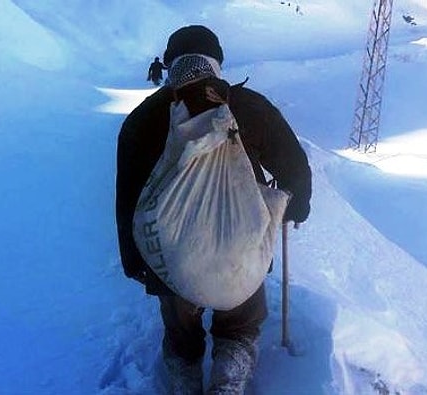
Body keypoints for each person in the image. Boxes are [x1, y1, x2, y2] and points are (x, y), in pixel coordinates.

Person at [115, 25, 312, 394]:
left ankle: (184, 381)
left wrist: (134, 261)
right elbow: (294, 167)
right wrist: (295, 206)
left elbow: (128, 199)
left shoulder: (142, 120)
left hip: (170, 257)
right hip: (240, 247)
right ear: (216, 63)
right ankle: (229, 381)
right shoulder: (249, 106)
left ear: (171, 64)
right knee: (239, 326)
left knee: (181, 335)